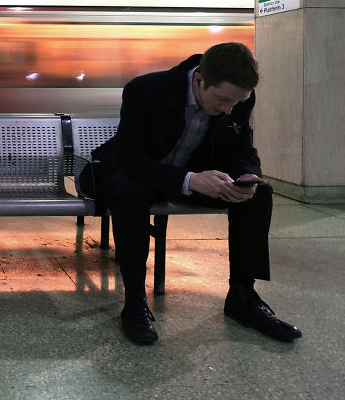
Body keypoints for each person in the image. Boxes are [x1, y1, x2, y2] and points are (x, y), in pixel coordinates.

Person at [96, 42, 301, 344]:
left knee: (258, 194)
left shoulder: (238, 99)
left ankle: (242, 295)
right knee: (131, 192)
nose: (229, 109)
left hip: (188, 176)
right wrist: (189, 180)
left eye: (237, 102)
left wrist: (246, 176)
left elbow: (243, 149)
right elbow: (129, 159)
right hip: (136, 174)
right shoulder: (145, 90)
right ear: (199, 79)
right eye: (223, 100)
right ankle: (135, 301)